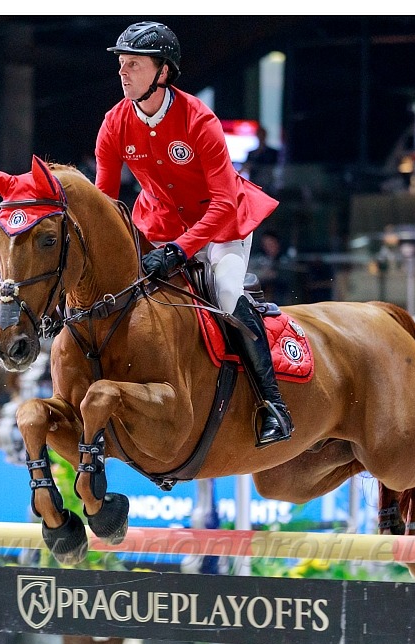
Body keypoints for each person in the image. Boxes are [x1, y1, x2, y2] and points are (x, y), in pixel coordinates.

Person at [95, 20, 293, 445]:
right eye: (121, 64)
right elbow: (106, 204)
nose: (123, 72)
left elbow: (222, 203)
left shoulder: (199, 120)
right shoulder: (114, 123)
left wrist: (179, 251)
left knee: (223, 292)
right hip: (160, 225)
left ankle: (273, 405)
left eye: (133, 64)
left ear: (162, 72)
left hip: (221, 224)